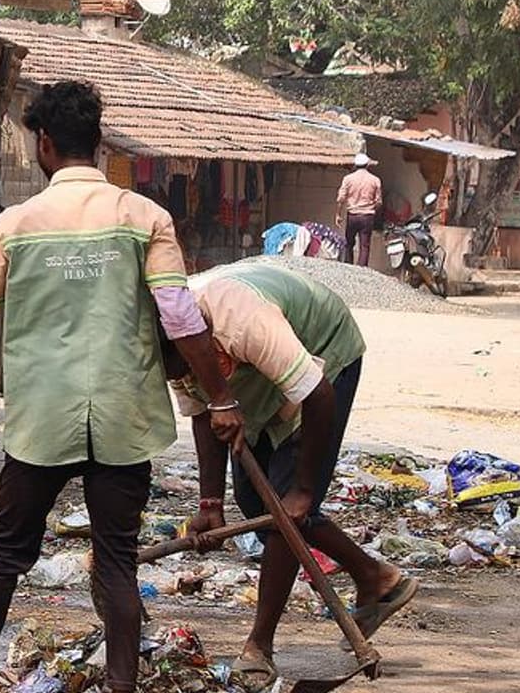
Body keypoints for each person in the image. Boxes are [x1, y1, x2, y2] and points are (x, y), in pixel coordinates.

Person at [0, 81, 244, 693]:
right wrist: (220, 398)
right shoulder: (145, 218)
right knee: (116, 557)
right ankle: (121, 686)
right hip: (123, 414)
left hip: (43, 418)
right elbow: (183, 321)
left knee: (6, 552)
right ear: (99, 142)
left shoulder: (16, 225)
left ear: (45, 143)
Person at [163, 262, 417, 690]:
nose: (185, 376)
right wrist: (210, 504)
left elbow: (316, 394)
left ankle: (259, 646)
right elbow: (204, 415)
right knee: (255, 505)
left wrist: (302, 489)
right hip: (266, 382)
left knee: (285, 509)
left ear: (206, 343)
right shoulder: (174, 343)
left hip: (323, 357)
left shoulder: (244, 321)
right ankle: (374, 576)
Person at [336, 152, 382, 266]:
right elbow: (379, 201)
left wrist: (338, 214)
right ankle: (361, 269)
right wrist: (372, 209)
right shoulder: (375, 180)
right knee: (364, 245)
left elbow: (341, 198)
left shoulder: (348, 179)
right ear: (367, 165)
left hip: (352, 215)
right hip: (367, 216)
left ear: (355, 165)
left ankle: (348, 265)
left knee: (349, 243)